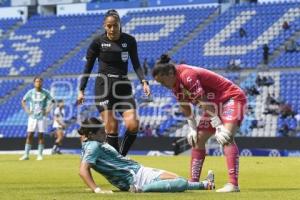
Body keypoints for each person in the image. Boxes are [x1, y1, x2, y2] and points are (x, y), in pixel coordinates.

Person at [152, 54, 247, 192]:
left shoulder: (187, 75)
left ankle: (233, 184)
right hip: (213, 104)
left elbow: (202, 101)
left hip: (231, 98)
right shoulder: (174, 84)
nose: (163, 86)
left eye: (162, 82)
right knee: (198, 140)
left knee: (226, 137)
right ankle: (193, 183)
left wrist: (218, 125)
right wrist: (192, 128)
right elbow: (184, 105)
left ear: (170, 73)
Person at [77, 9, 151, 156]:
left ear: (119, 25)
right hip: (103, 87)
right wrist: (81, 89)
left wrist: (144, 81)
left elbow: (136, 63)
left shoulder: (129, 40)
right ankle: (116, 163)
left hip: (123, 87)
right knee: (112, 127)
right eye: (109, 26)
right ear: (105, 26)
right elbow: (88, 67)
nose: (112, 29)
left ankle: (120, 158)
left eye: (115, 25)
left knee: (133, 124)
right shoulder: (97, 42)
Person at [78, 117, 215, 193]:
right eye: (102, 132)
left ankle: (207, 184)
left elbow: (85, 142)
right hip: (135, 177)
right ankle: (140, 189)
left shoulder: (91, 142)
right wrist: (96, 189)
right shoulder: (93, 145)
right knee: (180, 182)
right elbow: (83, 170)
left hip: (137, 172)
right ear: (91, 135)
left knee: (177, 179)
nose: (105, 134)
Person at [20, 77, 55, 161]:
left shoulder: (46, 92)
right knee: (29, 135)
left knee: (41, 136)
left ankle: (39, 155)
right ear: (34, 83)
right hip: (32, 117)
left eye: (40, 81)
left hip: (42, 117)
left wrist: (47, 110)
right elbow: (23, 101)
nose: (38, 83)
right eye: (36, 81)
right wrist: (27, 111)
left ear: (42, 83)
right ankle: (26, 154)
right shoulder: (30, 92)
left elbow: (53, 101)